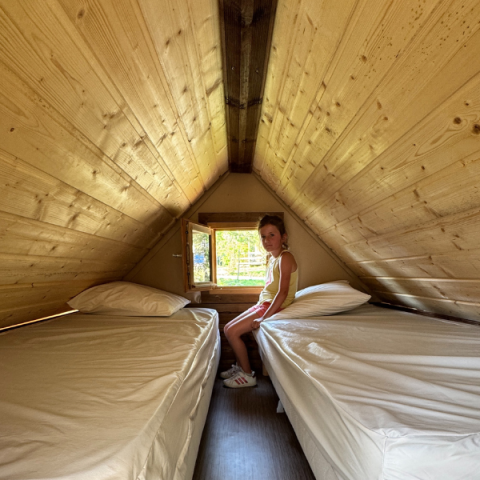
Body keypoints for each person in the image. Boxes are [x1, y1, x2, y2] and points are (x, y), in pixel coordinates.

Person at [221, 214, 298, 388]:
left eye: (272, 235)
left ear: (283, 237)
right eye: (263, 236)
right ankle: (240, 367)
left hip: (274, 306)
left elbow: (283, 292)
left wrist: (264, 318)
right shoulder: (271, 258)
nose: (267, 240)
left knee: (232, 332)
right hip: (264, 303)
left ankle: (247, 375)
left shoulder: (285, 258)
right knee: (227, 328)